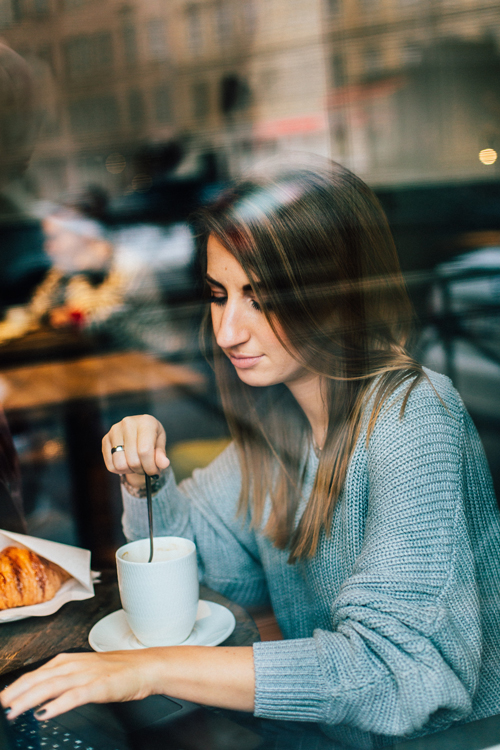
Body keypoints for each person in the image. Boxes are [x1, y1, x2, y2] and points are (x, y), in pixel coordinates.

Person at [3, 161, 500, 748]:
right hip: (331, 736)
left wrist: (144, 670)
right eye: (218, 296)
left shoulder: (414, 417)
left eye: (259, 299)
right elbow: (206, 576)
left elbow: (398, 676)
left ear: (335, 295)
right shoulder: (279, 427)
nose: (227, 332)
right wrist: (143, 481)